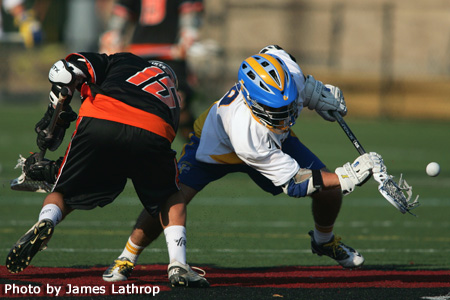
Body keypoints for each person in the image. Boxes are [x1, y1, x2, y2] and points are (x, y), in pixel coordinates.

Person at [5, 51, 209, 288]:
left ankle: (47, 219)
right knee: (170, 196)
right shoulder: (172, 94)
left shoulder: (123, 60)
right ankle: (178, 264)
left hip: (101, 118)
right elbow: (141, 147)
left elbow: (63, 71)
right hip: (153, 130)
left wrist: (54, 116)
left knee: (66, 189)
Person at [99, 0, 203, 141]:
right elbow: (121, 15)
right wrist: (113, 35)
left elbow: (190, 18)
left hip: (172, 56)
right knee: (132, 107)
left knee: (179, 105)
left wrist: (189, 33)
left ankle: (197, 151)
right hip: (140, 54)